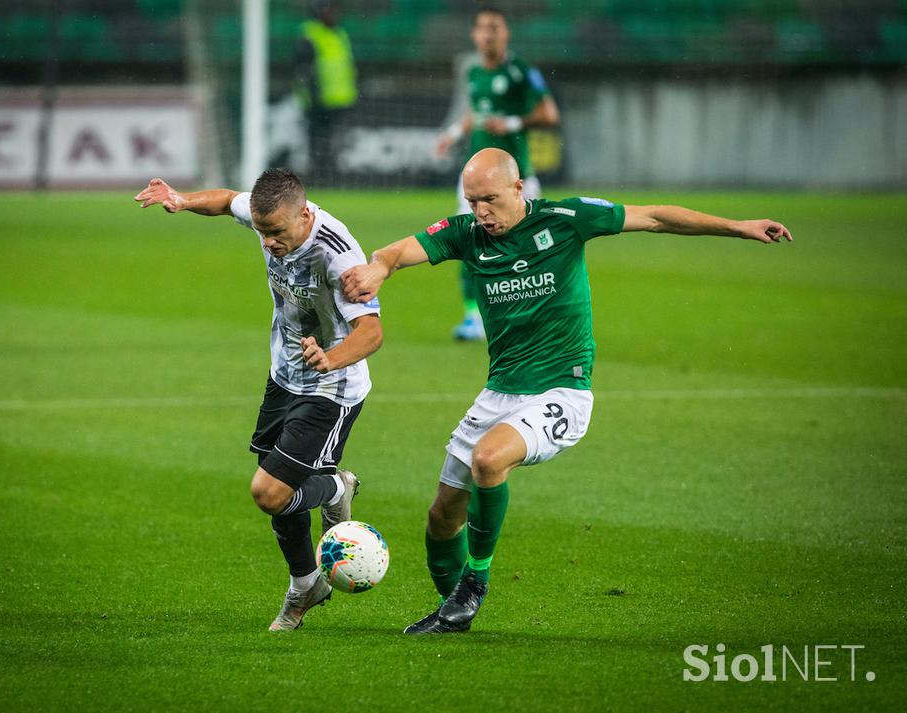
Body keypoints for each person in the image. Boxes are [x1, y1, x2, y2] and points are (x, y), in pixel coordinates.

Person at [341, 148, 792, 634]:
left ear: (519, 188)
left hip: (562, 391)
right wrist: (379, 267)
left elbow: (656, 217)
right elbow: (399, 250)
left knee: (490, 461)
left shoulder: (567, 218)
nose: (480, 212)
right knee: (442, 516)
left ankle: (475, 581)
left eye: (489, 199)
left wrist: (737, 225)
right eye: (472, 202)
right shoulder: (467, 234)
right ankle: (452, 611)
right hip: (500, 393)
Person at [134, 168, 382, 631]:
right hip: (283, 376)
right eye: (261, 231)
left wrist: (330, 357)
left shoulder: (339, 256)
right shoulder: (267, 211)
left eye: (276, 232)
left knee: (269, 492)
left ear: (304, 215)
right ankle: (306, 583)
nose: (267, 242)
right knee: (279, 492)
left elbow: (372, 332)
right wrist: (183, 200)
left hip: (331, 388)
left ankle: (335, 488)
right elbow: (227, 198)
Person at [436, 6, 560, 341]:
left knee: (531, 247)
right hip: (476, 181)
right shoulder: (474, 72)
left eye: (495, 28)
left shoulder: (521, 71)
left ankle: (537, 316)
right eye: (482, 28)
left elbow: (550, 113)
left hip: (516, 179)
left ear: (506, 34)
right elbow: (475, 114)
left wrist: (513, 122)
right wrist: (451, 135)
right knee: (468, 241)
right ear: (474, 35)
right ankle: (473, 317)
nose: (487, 34)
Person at [296, 0, 358, 185]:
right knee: (317, 142)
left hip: (341, 100)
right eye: (330, 10)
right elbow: (304, 70)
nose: (334, 14)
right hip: (318, 102)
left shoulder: (340, 34)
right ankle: (317, 177)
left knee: (335, 142)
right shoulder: (310, 35)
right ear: (319, 12)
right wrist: (312, 96)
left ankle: (331, 176)